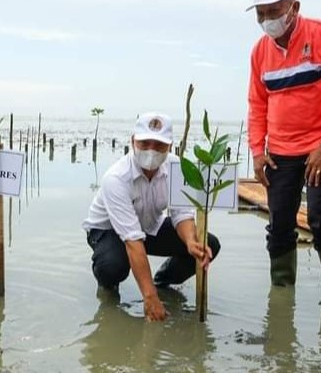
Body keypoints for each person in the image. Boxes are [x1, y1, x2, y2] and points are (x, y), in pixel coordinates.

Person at [246, 0, 321, 305]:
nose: (267, 20)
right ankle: (282, 294)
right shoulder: (259, 52)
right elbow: (257, 104)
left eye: (274, 11)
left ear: (294, 7)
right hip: (280, 153)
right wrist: (256, 150)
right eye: (260, 14)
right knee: (279, 224)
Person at [82, 112, 221, 321]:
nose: (151, 151)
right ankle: (108, 288)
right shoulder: (116, 178)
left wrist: (191, 241)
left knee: (207, 243)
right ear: (132, 141)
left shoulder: (177, 168)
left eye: (159, 145)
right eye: (144, 143)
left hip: (148, 226)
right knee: (113, 265)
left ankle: (162, 280)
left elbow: (181, 214)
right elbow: (132, 240)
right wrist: (150, 297)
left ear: (170, 146)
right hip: (108, 230)